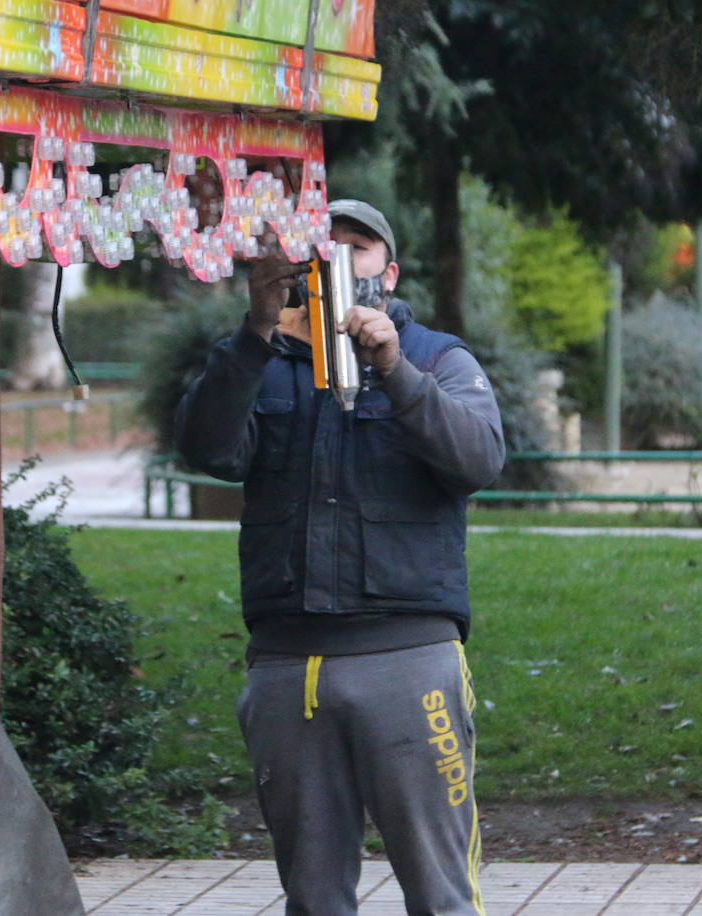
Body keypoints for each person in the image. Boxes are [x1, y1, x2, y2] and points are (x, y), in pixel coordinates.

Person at [175, 199, 504, 915]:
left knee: (441, 893)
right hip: (289, 665)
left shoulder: (436, 358)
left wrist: (395, 372)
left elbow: (478, 459)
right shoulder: (261, 360)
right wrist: (257, 329)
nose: (338, 257)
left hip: (407, 656)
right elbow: (205, 448)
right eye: (324, 244)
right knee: (313, 897)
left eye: (358, 246)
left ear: (390, 269)